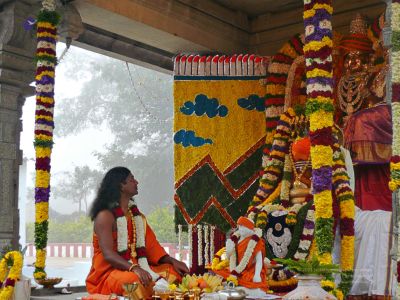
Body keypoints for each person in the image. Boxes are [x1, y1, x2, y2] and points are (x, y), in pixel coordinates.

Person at [86, 167, 189, 297]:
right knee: (134, 283)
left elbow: (152, 247)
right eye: (132, 179)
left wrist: (173, 261)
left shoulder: (137, 216)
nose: (137, 182)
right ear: (121, 186)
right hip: (110, 273)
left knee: (173, 273)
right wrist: (134, 268)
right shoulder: (105, 215)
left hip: (139, 267)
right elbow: (108, 254)